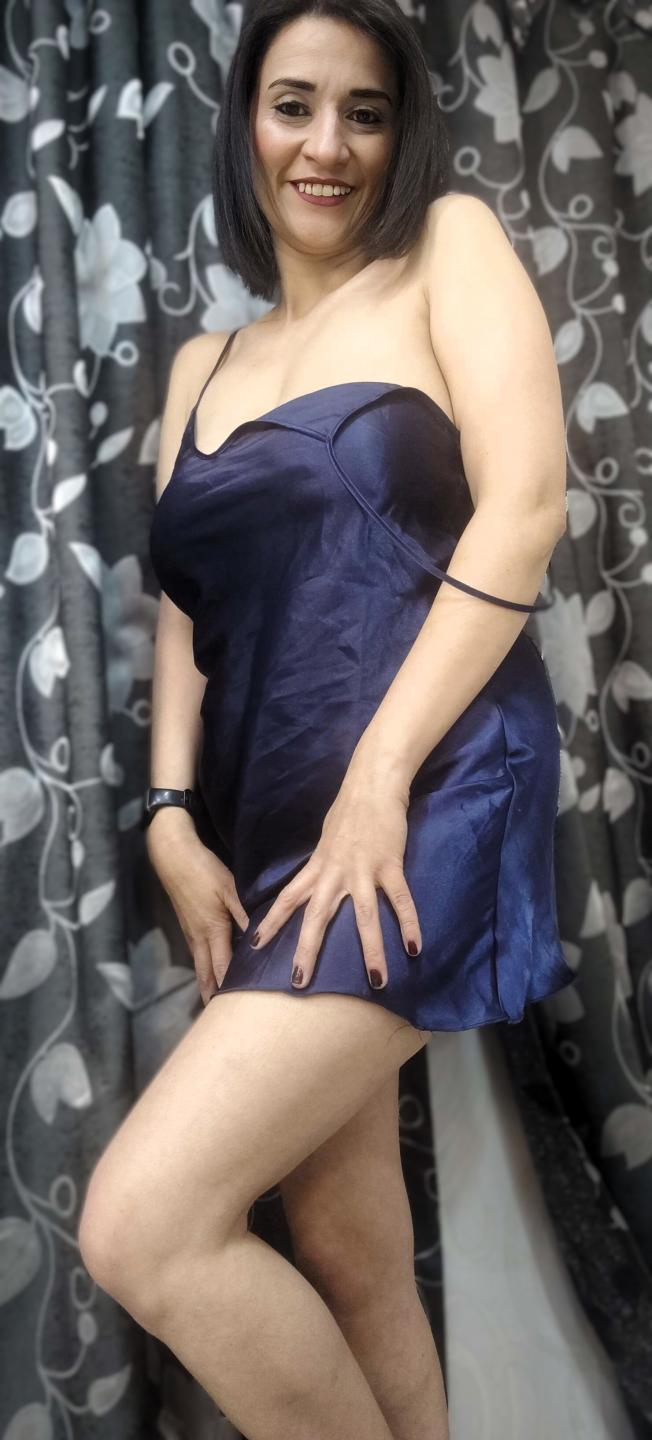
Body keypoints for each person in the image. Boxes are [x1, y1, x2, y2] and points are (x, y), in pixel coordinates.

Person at [77, 3, 575, 1437]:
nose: (328, 144)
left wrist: (379, 780)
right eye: (295, 104)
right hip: (269, 819)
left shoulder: (448, 250)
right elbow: (190, 613)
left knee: (145, 1225)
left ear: (401, 131)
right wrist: (171, 816)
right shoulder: (202, 367)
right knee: (352, 1258)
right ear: (247, 119)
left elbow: (526, 509)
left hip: (428, 786)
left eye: (365, 111)